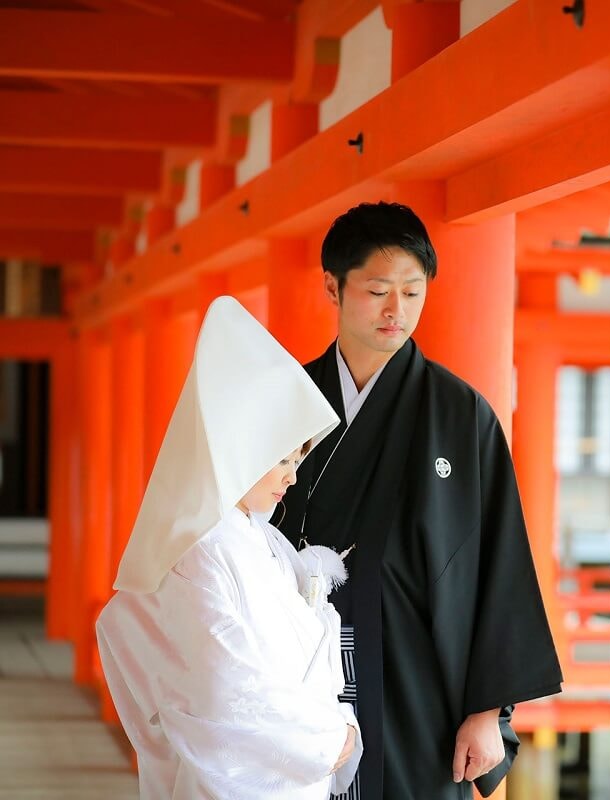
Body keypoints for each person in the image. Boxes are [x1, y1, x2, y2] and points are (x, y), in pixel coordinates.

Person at [273, 202, 562, 800]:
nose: (395, 310)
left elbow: (497, 564)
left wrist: (487, 711)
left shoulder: (459, 415)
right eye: (378, 290)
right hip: (298, 667)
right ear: (333, 285)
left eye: (411, 291)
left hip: (416, 678)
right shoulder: (290, 402)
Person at [96, 297, 363, 798]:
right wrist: (327, 738)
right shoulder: (200, 549)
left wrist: (335, 724)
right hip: (239, 779)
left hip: (293, 770)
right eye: (280, 458)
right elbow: (223, 688)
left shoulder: (260, 537)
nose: (293, 475)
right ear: (239, 451)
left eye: (299, 457)